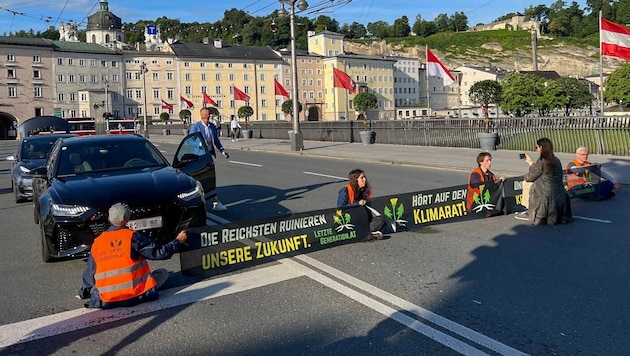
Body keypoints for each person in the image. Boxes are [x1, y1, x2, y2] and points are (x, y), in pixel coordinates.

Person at [75, 203, 187, 309]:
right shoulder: (133, 237)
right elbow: (160, 253)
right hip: (137, 295)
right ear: (127, 219)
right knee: (163, 273)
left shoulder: (98, 242)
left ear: (109, 219)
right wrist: (177, 241)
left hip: (108, 300)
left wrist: (83, 293)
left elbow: (89, 273)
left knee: (98, 290)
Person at [517, 138, 572, 225]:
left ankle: (529, 209)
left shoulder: (542, 161)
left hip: (545, 192)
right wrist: (530, 162)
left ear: (541, 147)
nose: (536, 149)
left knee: (528, 183)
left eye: (536, 147)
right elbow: (540, 171)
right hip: (559, 190)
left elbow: (531, 177)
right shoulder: (556, 160)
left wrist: (525, 176)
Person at [189, 107, 229, 211]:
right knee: (201, 180)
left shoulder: (212, 127)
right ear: (201, 116)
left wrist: (223, 151)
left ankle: (215, 202)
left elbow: (216, 140)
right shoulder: (195, 127)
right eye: (205, 117)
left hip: (208, 156)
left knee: (210, 179)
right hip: (198, 156)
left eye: (208, 116)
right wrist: (203, 144)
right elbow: (190, 141)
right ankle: (200, 202)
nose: (207, 119)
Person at [337, 169, 385, 241]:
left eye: (364, 177)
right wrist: (357, 204)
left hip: (363, 219)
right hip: (349, 220)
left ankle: (367, 233)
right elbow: (340, 207)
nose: (365, 179)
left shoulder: (364, 191)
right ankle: (367, 233)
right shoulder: (344, 191)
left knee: (382, 219)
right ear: (355, 180)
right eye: (362, 178)